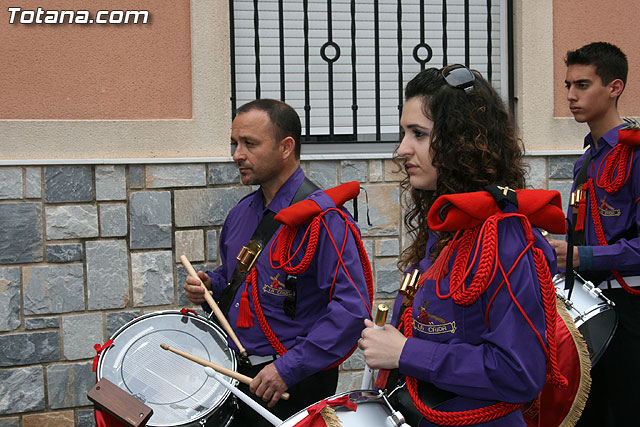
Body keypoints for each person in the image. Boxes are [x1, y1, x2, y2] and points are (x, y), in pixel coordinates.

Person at [358, 66, 568, 426]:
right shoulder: (446, 228)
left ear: (462, 141)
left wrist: (406, 352)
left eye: (418, 134)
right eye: (404, 133)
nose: (402, 149)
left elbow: (520, 373)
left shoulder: (504, 237)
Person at [184, 99, 372, 426]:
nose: (237, 155)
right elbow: (235, 277)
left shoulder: (325, 220)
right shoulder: (240, 214)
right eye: (235, 143)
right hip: (238, 376)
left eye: (250, 144)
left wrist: (288, 369)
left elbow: (352, 310)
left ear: (286, 147)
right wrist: (211, 286)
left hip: (294, 383)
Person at [548, 42, 640, 427]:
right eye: (568, 85)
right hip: (589, 310)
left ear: (615, 87)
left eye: (582, 85)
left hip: (632, 308)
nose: (570, 96)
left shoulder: (635, 154)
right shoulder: (588, 159)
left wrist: (582, 257)